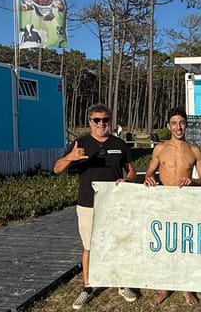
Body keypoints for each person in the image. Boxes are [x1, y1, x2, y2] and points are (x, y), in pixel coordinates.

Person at [52, 103, 138, 309]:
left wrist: (127, 180)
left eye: (105, 120)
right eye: (96, 120)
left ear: (110, 121)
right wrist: (70, 158)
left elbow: (132, 171)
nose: (101, 124)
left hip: (114, 205)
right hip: (88, 204)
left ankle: (121, 283)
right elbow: (56, 169)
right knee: (89, 247)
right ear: (90, 122)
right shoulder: (80, 144)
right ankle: (88, 287)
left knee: (118, 243)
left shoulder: (120, 144)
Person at [144, 107, 201, 307]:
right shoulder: (160, 149)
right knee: (165, 244)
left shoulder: (194, 149)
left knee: (185, 244)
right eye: (174, 123)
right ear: (168, 126)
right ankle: (164, 288)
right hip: (164, 202)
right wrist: (149, 179)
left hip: (186, 202)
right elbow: (149, 173)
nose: (178, 127)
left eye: (181, 123)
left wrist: (193, 182)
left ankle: (186, 288)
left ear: (186, 124)